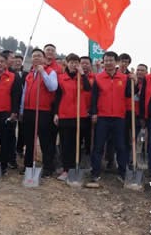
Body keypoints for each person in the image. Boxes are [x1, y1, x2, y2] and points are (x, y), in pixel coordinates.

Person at [90, 51, 136, 183]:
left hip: (119, 117)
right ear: (103, 62)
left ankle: (123, 172)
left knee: (121, 146)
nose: (109, 63)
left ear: (116, 62)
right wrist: (94, 113)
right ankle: (95, 172)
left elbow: (129, 94)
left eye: (111, 60)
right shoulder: (98, 78)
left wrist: (134, 82)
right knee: (98, 146)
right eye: (106, 60)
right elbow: (94, 98)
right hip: (102, 117)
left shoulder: (124, 78)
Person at [19, 48, 58, 178]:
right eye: (34, 56)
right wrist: (21, 110)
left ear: (44, 58)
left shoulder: (50, 71)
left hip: (43, 111)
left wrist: (43, 73)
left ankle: (48, 167)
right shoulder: (29, 74)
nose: (36, 58)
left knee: (45, 141)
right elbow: (25, 93)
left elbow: (53, 87)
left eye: (38, 56)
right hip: (29, 111)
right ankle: (28, 165)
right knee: (29, 140)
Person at [53, 54, 91, 181]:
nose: (74, 65)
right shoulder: (61, 78)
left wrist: (82, 74)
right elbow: (57, 97)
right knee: (65, 144)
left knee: (77, 144)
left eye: (76, 62)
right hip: (65, 115)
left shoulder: (82, 77)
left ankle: (75, 167)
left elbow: (87, 88)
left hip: (80, 116)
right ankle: (65, 169)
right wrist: (56, 113)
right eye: (71, 62)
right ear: (67, 63)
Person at [79, 56, 95, 156]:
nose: (84, 65)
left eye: (87, 63)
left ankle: (88, 156)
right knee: (77, 136)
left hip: (89, 111)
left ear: (90, 65)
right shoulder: (75, 77)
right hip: (77, 112)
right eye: (82, 63)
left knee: (89, 136)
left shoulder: (95, 77)